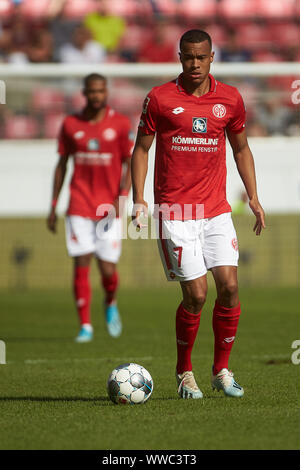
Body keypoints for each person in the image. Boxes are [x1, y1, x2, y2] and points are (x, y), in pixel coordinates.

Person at [131, 30, 265, 399]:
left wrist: (253, 197)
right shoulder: (158, 98)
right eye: (188, 57)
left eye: (201, 57)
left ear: (212, 57)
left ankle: (221, 368)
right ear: (179, 57)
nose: (194, 63)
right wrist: (138, 199)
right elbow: (141, 150)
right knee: (197, 295)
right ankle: (183, 371)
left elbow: (241, 148)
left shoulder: (231, 100)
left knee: (231, 287)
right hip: (176, 212)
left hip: (216, 211)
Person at [47, 73, 133, 342]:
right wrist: (53, 205)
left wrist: (123, 195)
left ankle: (110, 301)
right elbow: (62, 165)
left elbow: (129, 163)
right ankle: (85, 325)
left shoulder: (119, 124)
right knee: (81, 263)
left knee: (107, 269)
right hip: (79, 203)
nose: (96, 96)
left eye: (100, 91)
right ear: (84, 93)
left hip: (109, 207)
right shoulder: (71, 124)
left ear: (106, 92)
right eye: (91, 91)